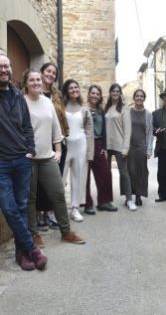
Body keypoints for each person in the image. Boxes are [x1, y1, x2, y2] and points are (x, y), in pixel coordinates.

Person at [23, 69, 85, 246]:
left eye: (38, 80)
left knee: (58, 193)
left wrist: (58, 150)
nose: (36, 83)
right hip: (29, 159)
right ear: (26, 83)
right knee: (31, 198)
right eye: (32, 80)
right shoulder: (21, 102)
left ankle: (66, 231)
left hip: (47, 157)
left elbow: (55, 127)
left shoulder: (47, 102)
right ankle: (34, 234)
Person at [0, 55, 47, 270]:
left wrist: (30, 150)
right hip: (1, 164)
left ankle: (22, 255)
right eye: (0, 67)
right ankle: (33, 249)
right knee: (9, 209)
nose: (4, 70)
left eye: (7, 66)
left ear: (11, 69)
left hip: (22, 160)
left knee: (20, 207)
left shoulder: (18, 97)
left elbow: (27, 126)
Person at [36, 62, 69, 230]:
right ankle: (39, 215)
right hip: (40, 142)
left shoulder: (57, 94)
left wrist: (65, 136)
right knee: (40, 181)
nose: (51, 75)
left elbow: (62, 117)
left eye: (53, 73)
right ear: (42, 72)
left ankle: (50, 213)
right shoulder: (33, 90)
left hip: (57, 142)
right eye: (48, 71)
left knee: (55, 180)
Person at [62, 79, 94, 222]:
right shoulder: (61, 106)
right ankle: (58, 209)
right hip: (64, 146)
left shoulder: (84, 108)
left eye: (76, 87)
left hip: (81, 145)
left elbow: (89, 131)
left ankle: (75, 208)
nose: (74, 89)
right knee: (60, 179)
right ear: (66, 91)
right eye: (71, 88)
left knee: (78, 178)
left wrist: (90, 152)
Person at [85, 85, 118, 214]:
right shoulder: (83, 109)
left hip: (98, 144)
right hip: (86, 143)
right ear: (89, 94)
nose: (95, 96)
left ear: (100, 97)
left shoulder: (101, 111)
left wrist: (104, 147)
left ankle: (104, 202)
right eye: (93, 93)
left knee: (105, 173)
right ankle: (87, 204)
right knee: (85, 175)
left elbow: (104, 130)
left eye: (97, 94)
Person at [105, 84, 135, 211]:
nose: (115, 93)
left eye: (117, 91)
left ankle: (129, 200)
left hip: (119, 145)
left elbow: (128, 130)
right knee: (105, 174)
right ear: (110, 92)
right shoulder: (106, 108)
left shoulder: (124, 108)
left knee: (124, 173)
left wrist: (125, 148)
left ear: (120, 93)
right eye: (113, 91)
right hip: (106, 146)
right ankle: (105, 199)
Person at [128, 89, 153, 206]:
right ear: (134, 98)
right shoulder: (128, 112)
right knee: (130, 171)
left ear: (144, 98)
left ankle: (138, 195)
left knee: (141, 172)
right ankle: (129, 195)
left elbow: (150, 132)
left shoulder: (148, 114)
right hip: (129, 146)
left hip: (141, 147)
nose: (139, 98)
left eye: (141, 96)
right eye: (137, 96)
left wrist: (149, 150)